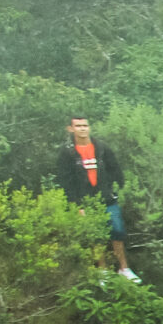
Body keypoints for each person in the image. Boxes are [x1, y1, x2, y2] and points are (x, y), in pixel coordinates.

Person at [55, 114, 135, 279]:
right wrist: (77, 205)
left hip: (107, 198)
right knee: (95, 236)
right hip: (85, 201)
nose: (82, 129)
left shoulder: (102, 147)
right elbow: (66, 181)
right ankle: (102, 271)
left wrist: (118, 188)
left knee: (117, 231)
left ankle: (124, 269)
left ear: (89, 127)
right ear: (70, 129)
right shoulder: (67, 152)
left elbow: (116, 169)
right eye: (78, 126)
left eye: (85, 125)